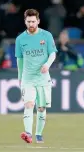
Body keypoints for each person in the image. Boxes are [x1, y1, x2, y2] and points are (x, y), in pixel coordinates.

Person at [15, 9, 57, 144]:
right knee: (29, 104)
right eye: (29, 22)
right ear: (25, 22)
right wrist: (20, 77)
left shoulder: (47, 35)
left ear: (38, 21)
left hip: (43, 79)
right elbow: (19, 60)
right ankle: (28, 134)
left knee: (41, 108)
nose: (31, 24)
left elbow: (53, 54)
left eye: (33, 21)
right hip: (28, 78)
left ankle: (38, 133)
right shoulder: (20, 39)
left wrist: (47, 65)